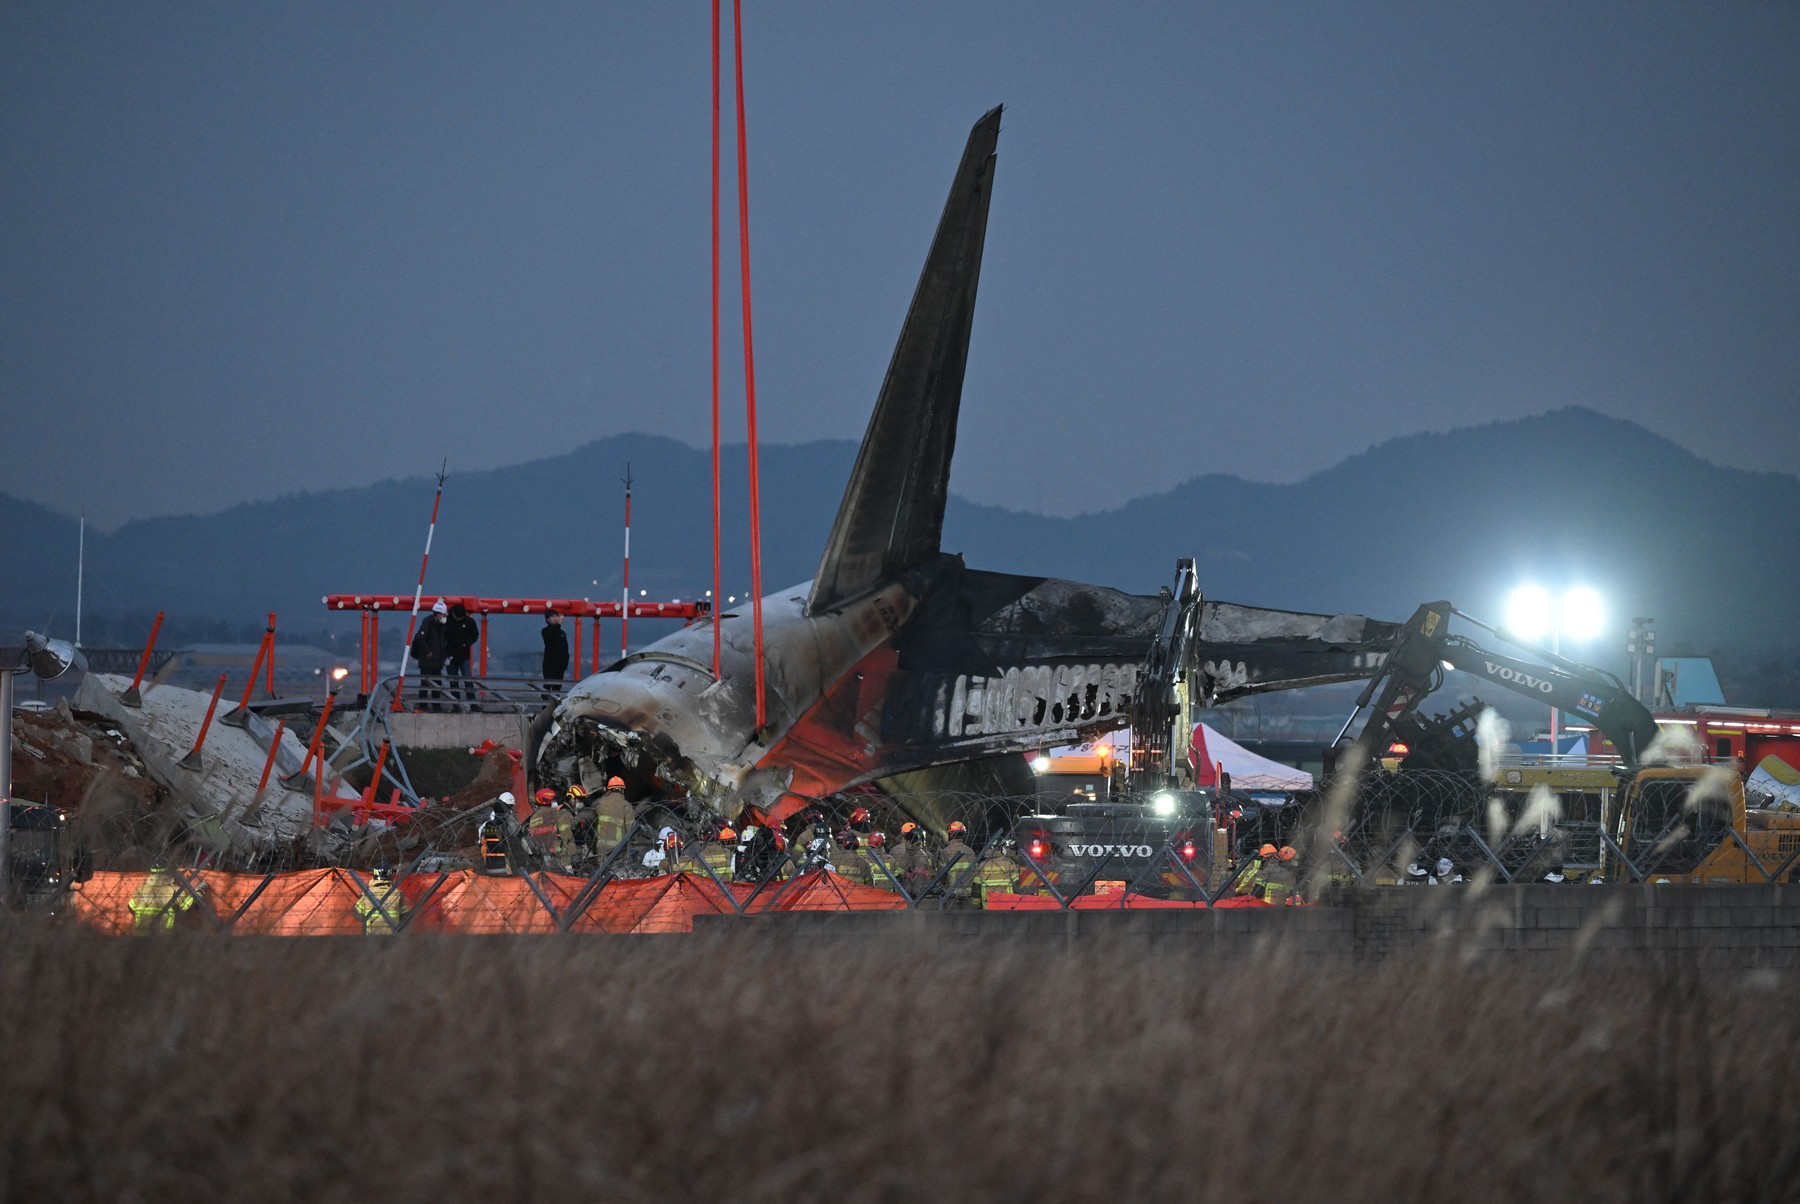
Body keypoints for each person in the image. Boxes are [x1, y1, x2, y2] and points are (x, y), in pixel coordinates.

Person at [128, 862, 199, 932]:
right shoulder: (175, 889)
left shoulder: (142, 889)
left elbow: (131, 907)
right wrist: (198, 892)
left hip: (141, 936)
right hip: (165, 937)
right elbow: (190, 907)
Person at [410, 602, 450, 712]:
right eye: (443, 615)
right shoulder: (427, 623)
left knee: (437, 684)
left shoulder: (442, 626)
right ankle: (423, 705)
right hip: (427, 660)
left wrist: (445, 656)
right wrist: (428, 651)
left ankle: (436, 705)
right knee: (426, 683)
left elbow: (443, 643)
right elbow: (420, 638)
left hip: (438, 660)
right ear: (437, 614)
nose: (444, 617)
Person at [443, 600, 481, 711]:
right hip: (450, 655)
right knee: (453, 681)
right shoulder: (447, 621)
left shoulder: (469, 622)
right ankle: (456, 705)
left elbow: (475, 635)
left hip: (464, 655)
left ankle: (473, 703)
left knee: (467, 679)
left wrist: (467, 643)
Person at [354, 865, 408, 935]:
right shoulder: (397, 894)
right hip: (392, 937)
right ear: (390, 875)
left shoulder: (367, 893)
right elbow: (406, 915)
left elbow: (357, 912)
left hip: (371, 937)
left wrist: (368, 921)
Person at [592, 777, 634, 861]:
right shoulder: (626, 806)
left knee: (601, 872)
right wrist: (633, 843)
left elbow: (593, 810)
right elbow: (631, 830)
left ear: (610, 790)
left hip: (601, 847)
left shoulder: (601, 803)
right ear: (622, 790)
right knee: (616, 871)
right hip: (617, 849)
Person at [975, 838, 1022, 906]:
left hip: (988, 907)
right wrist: (1017, 903)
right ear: (1002, 850)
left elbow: (976, 888)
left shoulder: (982, 866)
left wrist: (975, 904)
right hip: (1008, 905)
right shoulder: (1009, 864)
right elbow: (1016, 886)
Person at [939, 820, 978, 900]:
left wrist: (941, 887)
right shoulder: (970, 851)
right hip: (968, 894)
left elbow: (941, 875)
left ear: (950, 834)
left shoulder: (946, 851)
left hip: (951, 894)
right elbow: (976, 872)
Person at [479, 791, 516, 875]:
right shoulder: (495, 825)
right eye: (509, 807)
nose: (510, 810)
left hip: (493, 865)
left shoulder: (487, 826)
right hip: (501, 867)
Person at [541, 609, 570, 697]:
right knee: (547, 687)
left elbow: (565, 648)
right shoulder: (545, 631)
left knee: (557, 689)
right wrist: (558, 625)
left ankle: (555, 708)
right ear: (548, 619)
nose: (555, 618)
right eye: (552, 617)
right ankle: (545, 708)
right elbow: (551, 637)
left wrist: (565, 663)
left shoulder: (562, 633)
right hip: (549, 665)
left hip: (560, 666)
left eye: (556, 616)